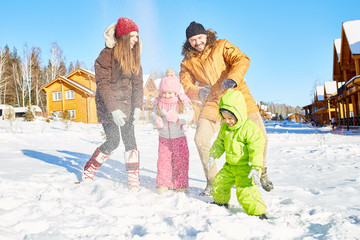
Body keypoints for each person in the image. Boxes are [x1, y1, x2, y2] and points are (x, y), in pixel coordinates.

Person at [179, 21, 273, 195]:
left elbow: (242, 59)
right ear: (188, 42)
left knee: (261, 136)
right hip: (213, 102)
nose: (197, 42)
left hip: (238, 95)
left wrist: (233, 78)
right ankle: (213, 181)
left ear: (206, 35)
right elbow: (185, 84)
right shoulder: (187, 62)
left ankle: (261, 172)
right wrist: (198, 91)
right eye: (193, 40)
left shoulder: (221, 46)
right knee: (201, 139)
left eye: (199, 38)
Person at [81, 17, 143, 192]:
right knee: (114, 140)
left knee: (130, 140)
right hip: (108, 104)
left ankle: (133, 180)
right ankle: (89, 168)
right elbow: (103, 84)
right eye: (132, 36)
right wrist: (114, 109)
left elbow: (138, 84)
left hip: (127, 103)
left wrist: (138, 106)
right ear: (123, 37)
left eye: (137, 36)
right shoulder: (106, 55)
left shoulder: (134, 56)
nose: (136, 40)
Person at [207, 90, 267, 219]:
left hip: (246, 168)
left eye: (231, 118)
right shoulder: (225, 128)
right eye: (224, 118)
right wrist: (213, 155)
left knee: (245, 192)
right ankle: (221, 202)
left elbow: (256, 149)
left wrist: (256, 167)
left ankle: (258, 213)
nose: (227, 121)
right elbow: (219, 143)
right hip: (230, 166)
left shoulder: (250, 129)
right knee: (219, 182)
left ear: (239, 113)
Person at [150, 69, 194, 194]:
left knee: (181, 161)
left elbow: (190, 114)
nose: (167, 95)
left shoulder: (182, 101)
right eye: (164, 93)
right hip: (164, 138)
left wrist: (178, 118)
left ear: (175, 92)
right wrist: (156, 119)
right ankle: (163, 184)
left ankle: (180, 184)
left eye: (170, 93)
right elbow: (152, 114)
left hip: (179, 137)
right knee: (163, 161)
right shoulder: (158, 102)